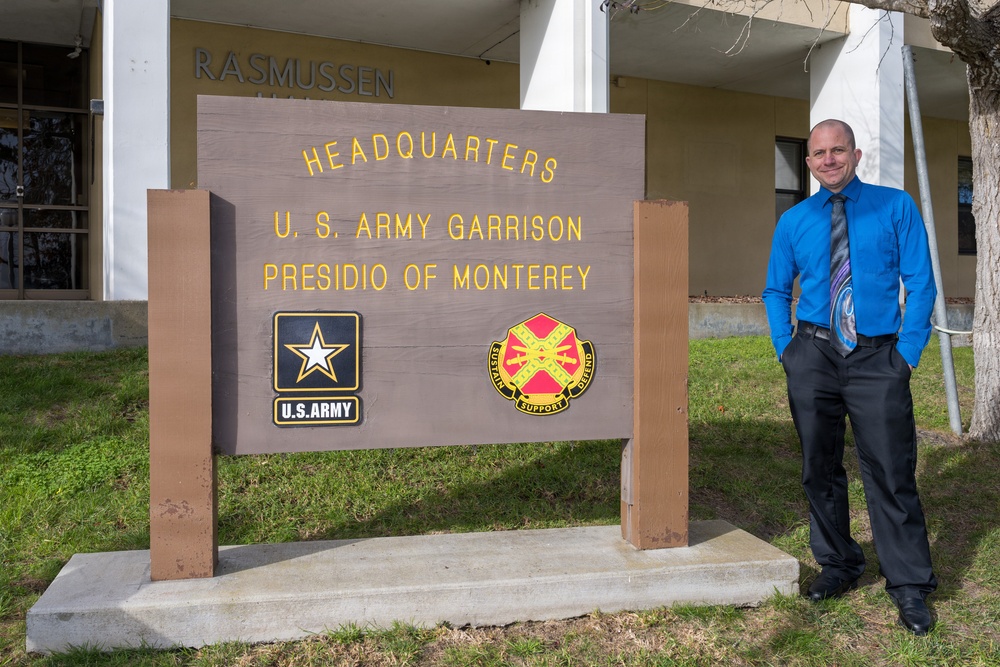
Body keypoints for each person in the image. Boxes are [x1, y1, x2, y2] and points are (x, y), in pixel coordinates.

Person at [763, 119, 938, 635]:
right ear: (810, 162)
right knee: (819, 467)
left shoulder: (895, 206)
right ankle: (839, 564)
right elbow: (776, 290)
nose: (828, 160)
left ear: (856, 155)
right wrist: (786, 349)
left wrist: (906, 353)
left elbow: (921, 283)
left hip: (877, 358)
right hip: (813, 354)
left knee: (889, 470)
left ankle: (908, 585)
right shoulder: (794, 221)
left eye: (837, 150)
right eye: (818, 154)